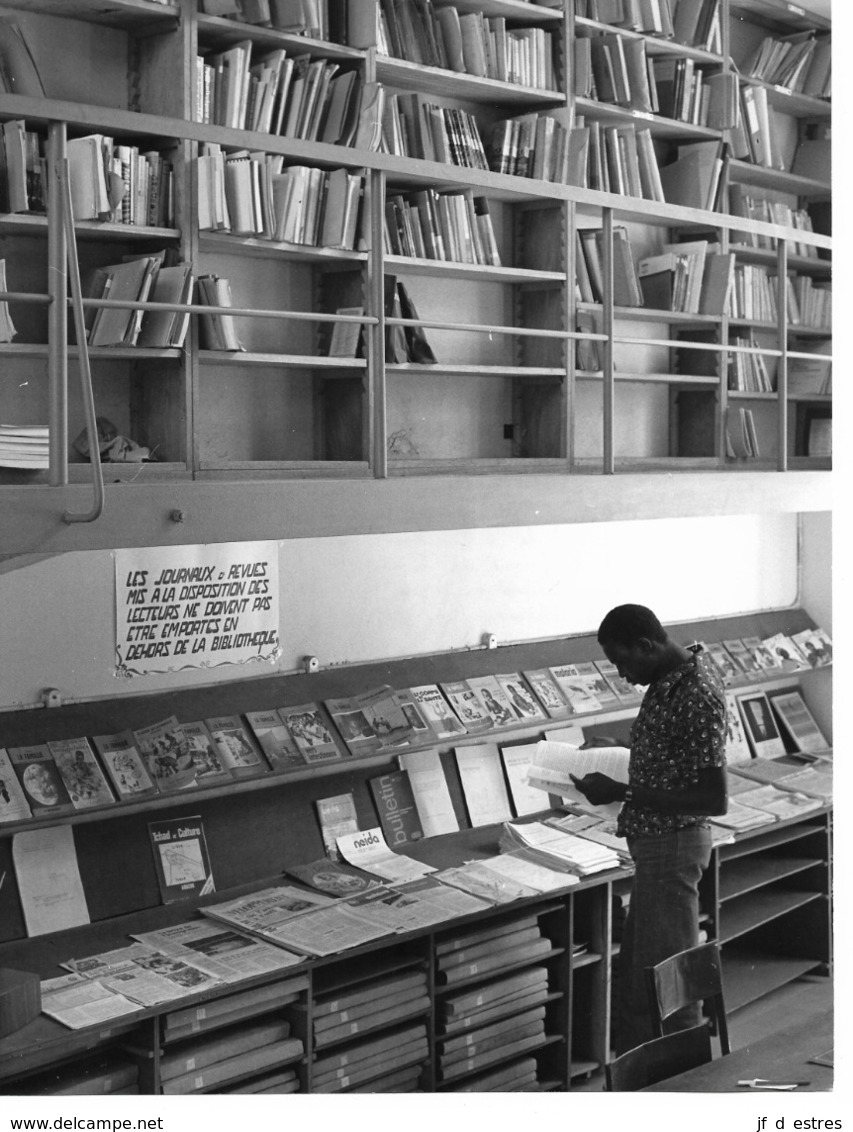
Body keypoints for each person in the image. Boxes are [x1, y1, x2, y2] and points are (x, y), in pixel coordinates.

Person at [569, 604, 728, 1056]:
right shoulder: (669, 677)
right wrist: (619, 746)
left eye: (622, 661)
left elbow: (711, 798)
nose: (621, 674)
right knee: (644, 975)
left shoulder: (694, 691)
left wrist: (622, 789)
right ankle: (644, 1078)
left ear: (646, 645)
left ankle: (683, 1086)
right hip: (658, 847)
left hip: (673, 846)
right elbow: (673, 751)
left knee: (668, 982)